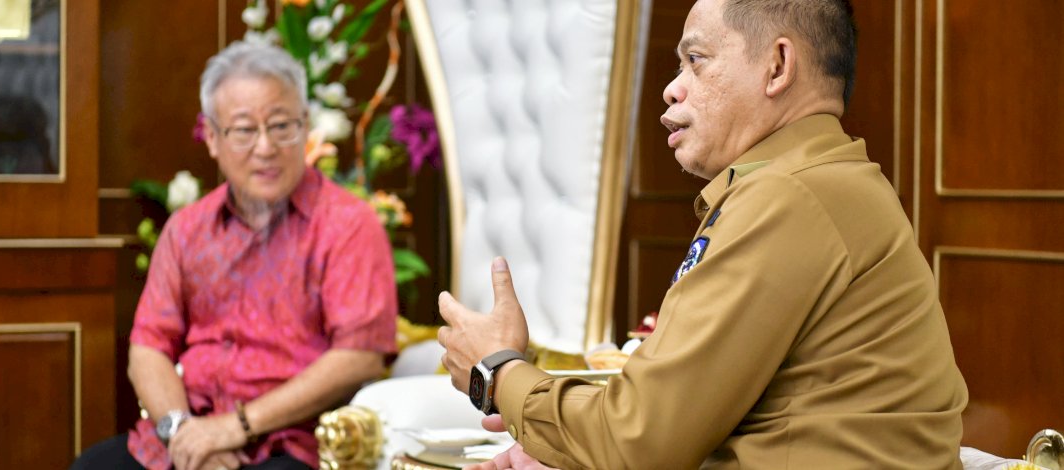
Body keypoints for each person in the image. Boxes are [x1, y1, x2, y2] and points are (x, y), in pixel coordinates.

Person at [437, 0, 968, 468]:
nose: (672, 87)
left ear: (777, 66)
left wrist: (497, 372)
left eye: (696, 60)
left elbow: (640, 439)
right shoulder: (820, 182)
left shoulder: (788, 196)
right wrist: (566, 447)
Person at [71, 42, 398, 470]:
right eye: (244, 130)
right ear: (211, 137)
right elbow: (148, 344)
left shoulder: (348, 225)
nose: (265, 147)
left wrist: (236, 427)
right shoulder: (187, 229)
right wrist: (183, 434)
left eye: (282, 126)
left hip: (291, 444)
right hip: (188, 435)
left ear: (305, 128)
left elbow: (360, 355)